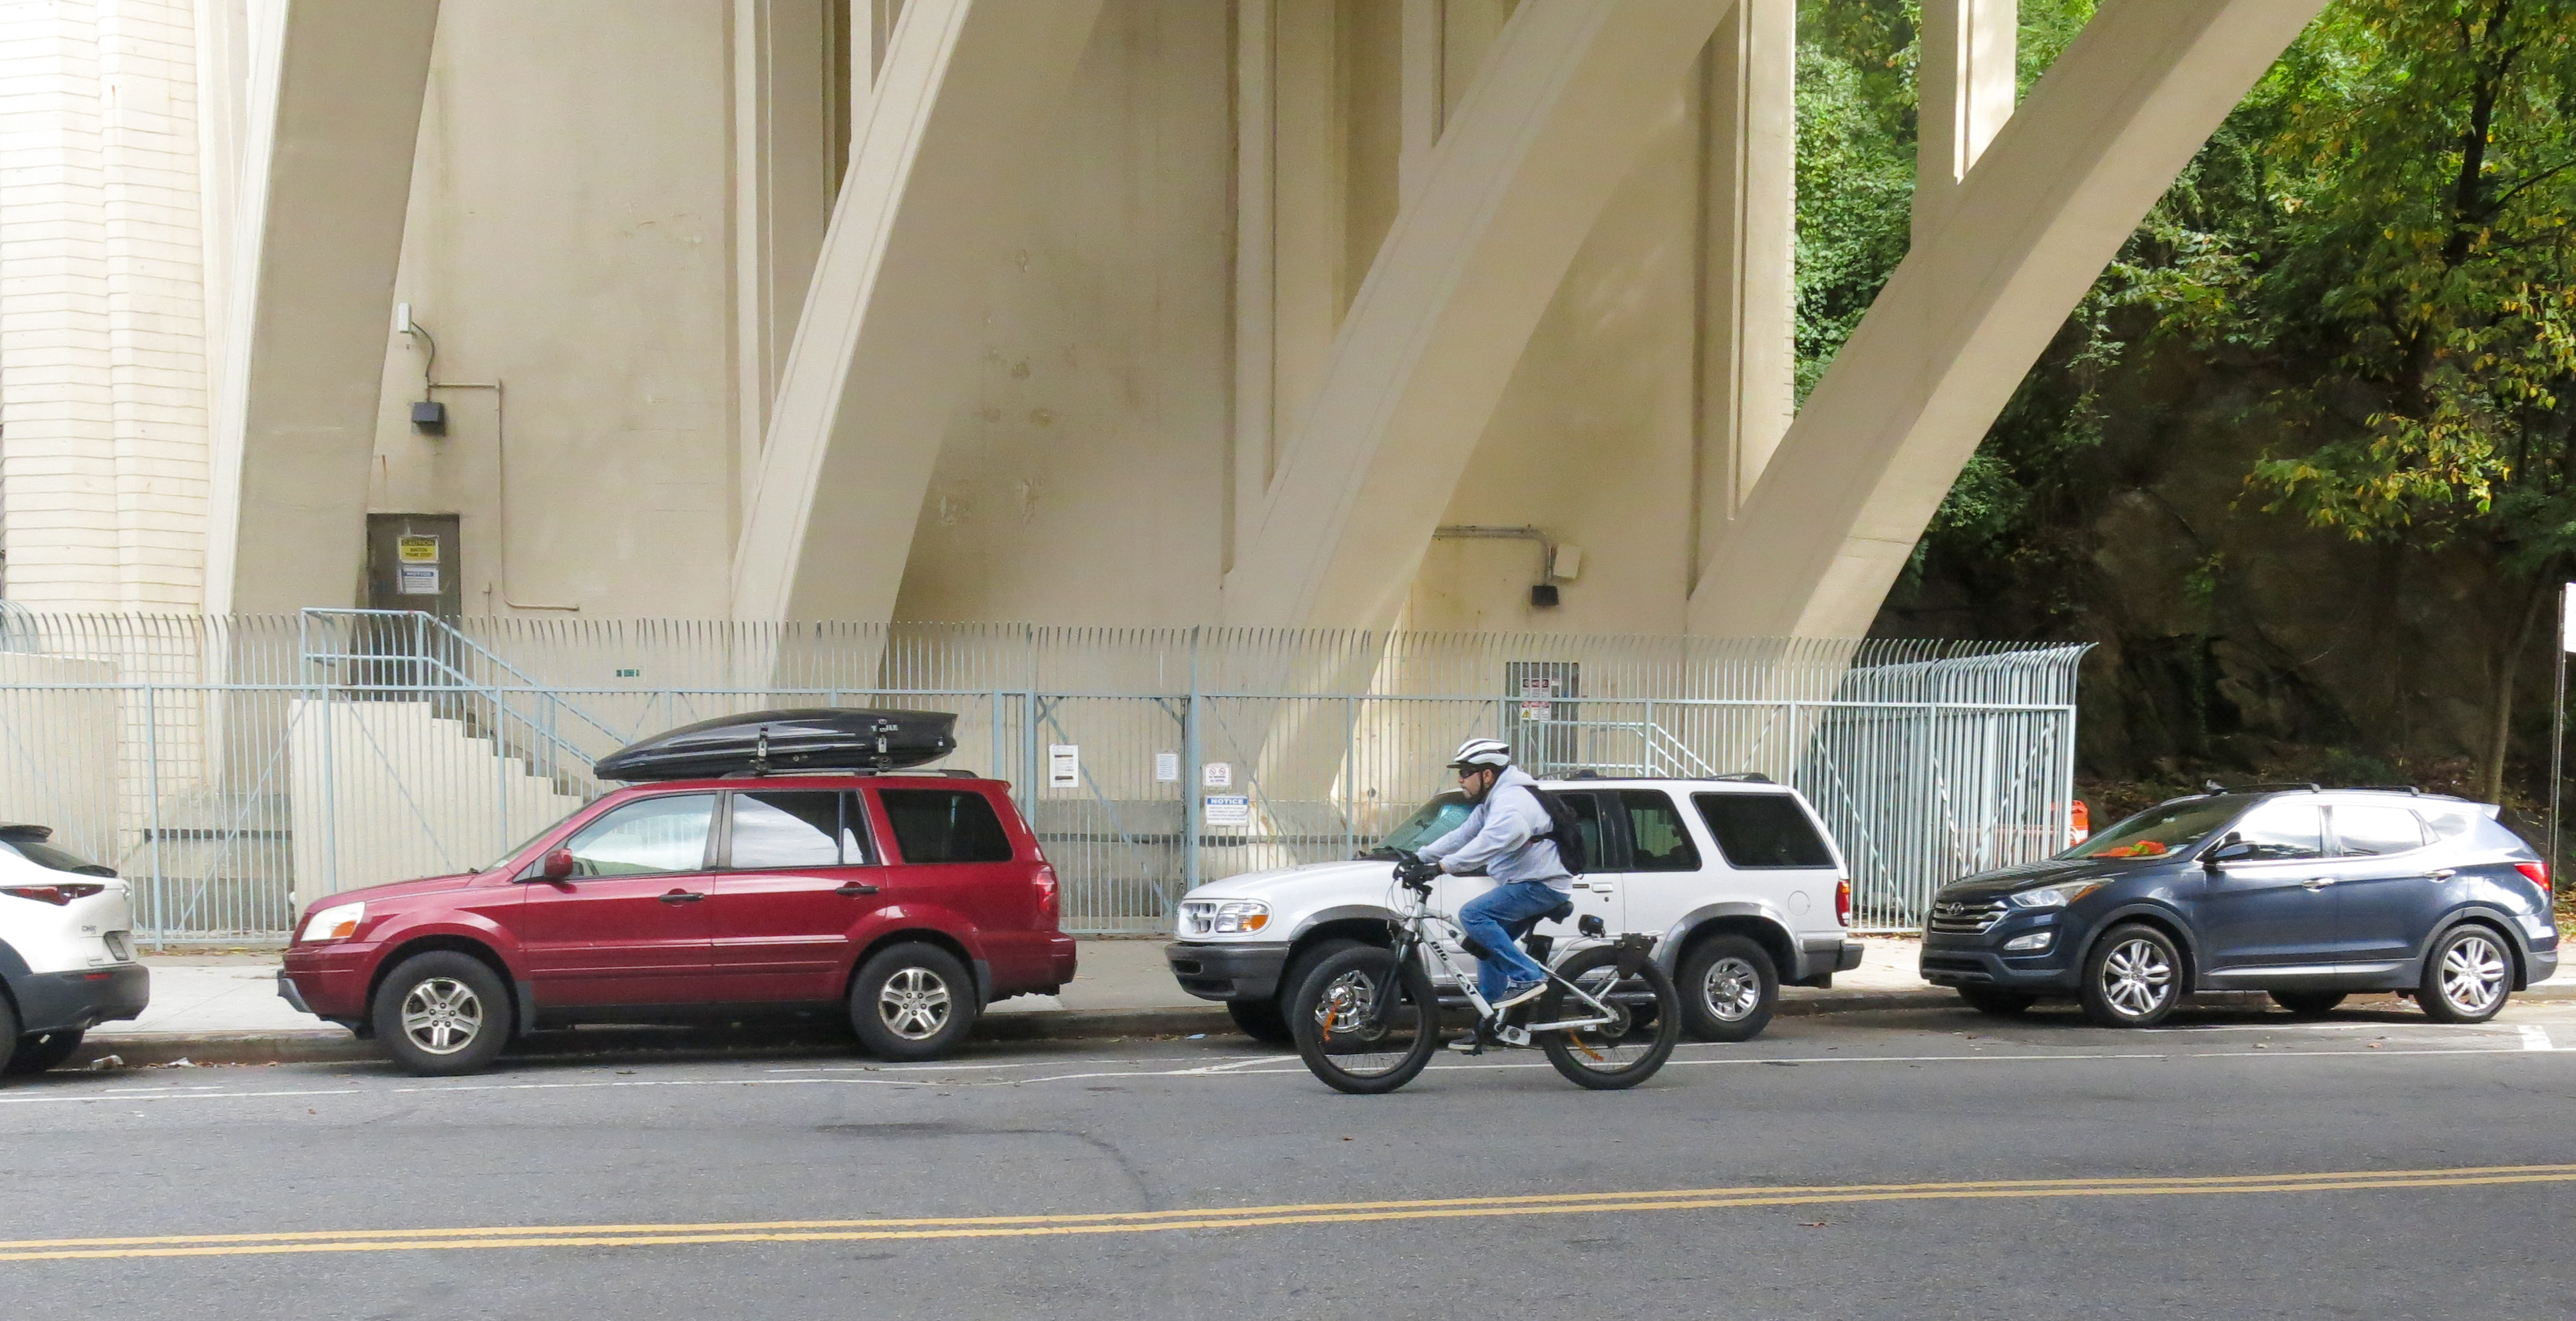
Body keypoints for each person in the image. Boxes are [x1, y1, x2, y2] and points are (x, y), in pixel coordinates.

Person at [1410, 737, 1572, 1046]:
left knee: (1473, 915)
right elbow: (1464, 834)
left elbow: (1488, 845)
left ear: (1487, 774)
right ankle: (1494, 1024)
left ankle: (1528, 977)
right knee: (1484, 944)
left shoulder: (1513, 804)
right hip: (1526, 883)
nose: (1460, 779)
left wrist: (1443, 867)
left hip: (1543, 885)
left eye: (1466, 771)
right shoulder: (1495, 799)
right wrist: (1421, 856)